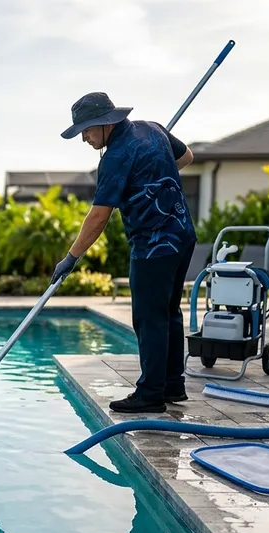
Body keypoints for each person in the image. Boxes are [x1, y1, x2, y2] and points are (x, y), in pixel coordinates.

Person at [52, 92, 196, 414]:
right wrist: (154, 174)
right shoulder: (153, 128)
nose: (85, 138)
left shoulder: (115, 157)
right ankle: (173, 385)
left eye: (86, 131)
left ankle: (151, 394)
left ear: (104, 124)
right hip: (183, 235)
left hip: (154, 245)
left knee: (149, 318)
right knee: (169, 312)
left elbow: (99, 216)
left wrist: (71, 257)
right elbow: (186, 156)